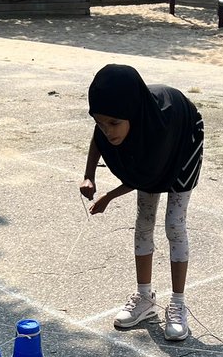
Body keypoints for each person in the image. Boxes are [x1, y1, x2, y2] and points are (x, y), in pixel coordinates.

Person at [80, 64, 204, 342]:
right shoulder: (113, 119)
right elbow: (99, 139)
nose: (107, 131)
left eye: (113, 123)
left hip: (184, 136)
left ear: (132, 115)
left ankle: (178, 304)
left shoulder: (157, 133)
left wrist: (108, 197)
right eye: (100, 122)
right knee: (144, 221)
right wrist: (89, 176)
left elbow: (146, 176)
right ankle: (145, 297)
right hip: (150, 150)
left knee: (174, 224)